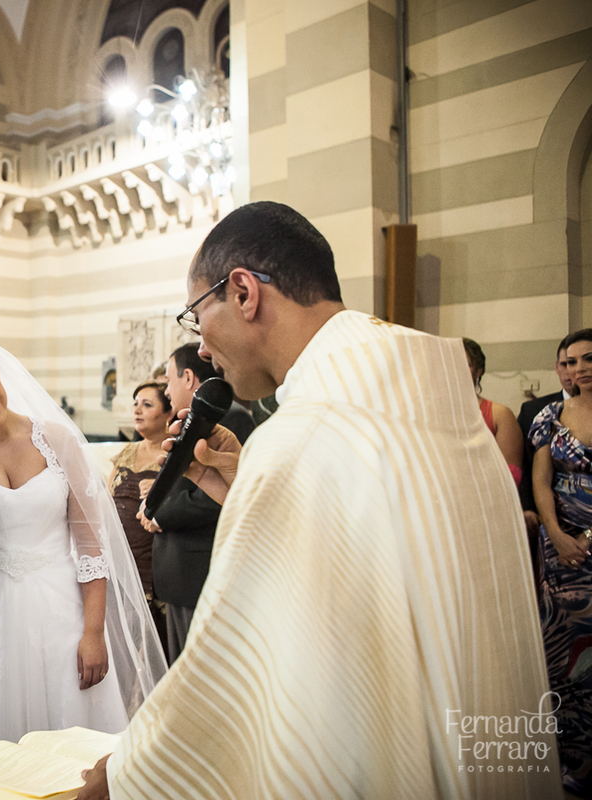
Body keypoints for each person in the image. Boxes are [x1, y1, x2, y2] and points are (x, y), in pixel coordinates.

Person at [77, 201, 557, 799]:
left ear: (245, 292)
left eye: (197, 318)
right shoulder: (428, 400)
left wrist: (124, 777)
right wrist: (246, 488)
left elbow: (229, 676)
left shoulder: (303, 435)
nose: (200, 349)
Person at [0, 334, 164, 767]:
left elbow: (90, 545)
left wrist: (94, 632)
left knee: (69, 739)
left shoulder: (56, 439)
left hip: (62, 609)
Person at [140, 343, 254, 661]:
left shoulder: (229, 417)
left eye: (168, 380)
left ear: (187, 377)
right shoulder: (186, 422)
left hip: (198, 570)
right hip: (177, 572)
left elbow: (213, 496)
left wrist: (160, 513)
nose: (166, 389)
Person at [529, 327, 592, 794]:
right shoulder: (549, 415)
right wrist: (555, 533)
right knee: (563, 655)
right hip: (560, 552)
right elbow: (541, 477)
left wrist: (587, 536)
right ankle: (573, 755)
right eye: (569, 362)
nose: (578, 369)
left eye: (587, 360)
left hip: (589, 544)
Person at [108, 381, 172, 654]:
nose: (137, 410)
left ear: (168, 413)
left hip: (154, 564)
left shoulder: (173, 456)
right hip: (120, 562)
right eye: (135, 404)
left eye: (147, 405)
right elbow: (106, 498)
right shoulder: (125, 453)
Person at [520, 342, 575, 519]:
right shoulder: (534, 411)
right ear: (556, 367)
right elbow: (523, 463)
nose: (570, 371)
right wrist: (527, 507)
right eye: (565, 364)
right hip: (545, 514)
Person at [462, 337, 524, 485]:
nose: (459, 371)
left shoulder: (500, 414)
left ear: (478, 370)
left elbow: (512, 474)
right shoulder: (431, 413)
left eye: (467, 365)